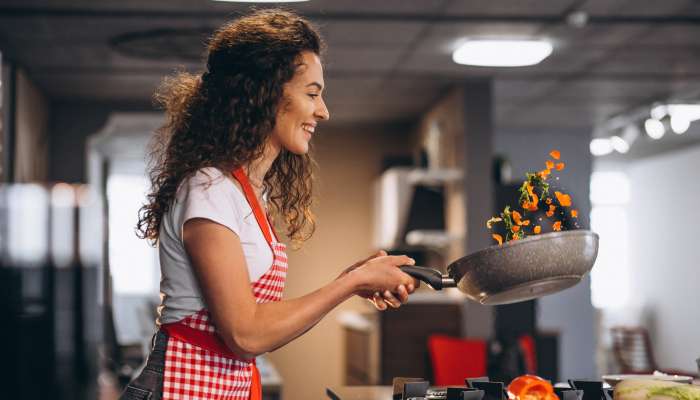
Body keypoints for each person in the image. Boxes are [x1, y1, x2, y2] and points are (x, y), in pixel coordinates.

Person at [121, 9, 418, 400]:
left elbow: (254, 323)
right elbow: (246, 333)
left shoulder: (245, 192)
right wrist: (352, 283)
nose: (323, 110)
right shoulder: (209, 188)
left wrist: (353, 280)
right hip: (180, 386)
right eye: (312, 93)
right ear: (264, 93)